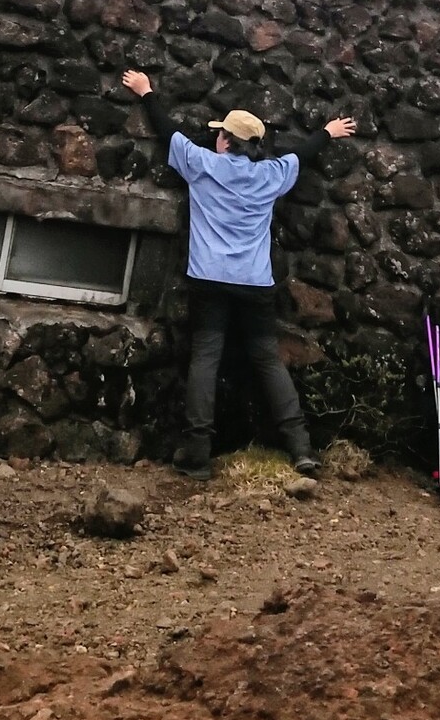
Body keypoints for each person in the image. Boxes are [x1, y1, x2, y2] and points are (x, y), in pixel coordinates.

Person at [121, 69, 357, 479]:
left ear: (225, 140)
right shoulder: (270, 176)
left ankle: (197, 451)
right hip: (255, 283)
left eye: (220, 133)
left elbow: (167, 131)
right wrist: (328, 131)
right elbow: (302, 154)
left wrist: (146, 92)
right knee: (267, 359)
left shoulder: (201, 166)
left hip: (209, 280)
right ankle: (300, 447)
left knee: (205, 360)